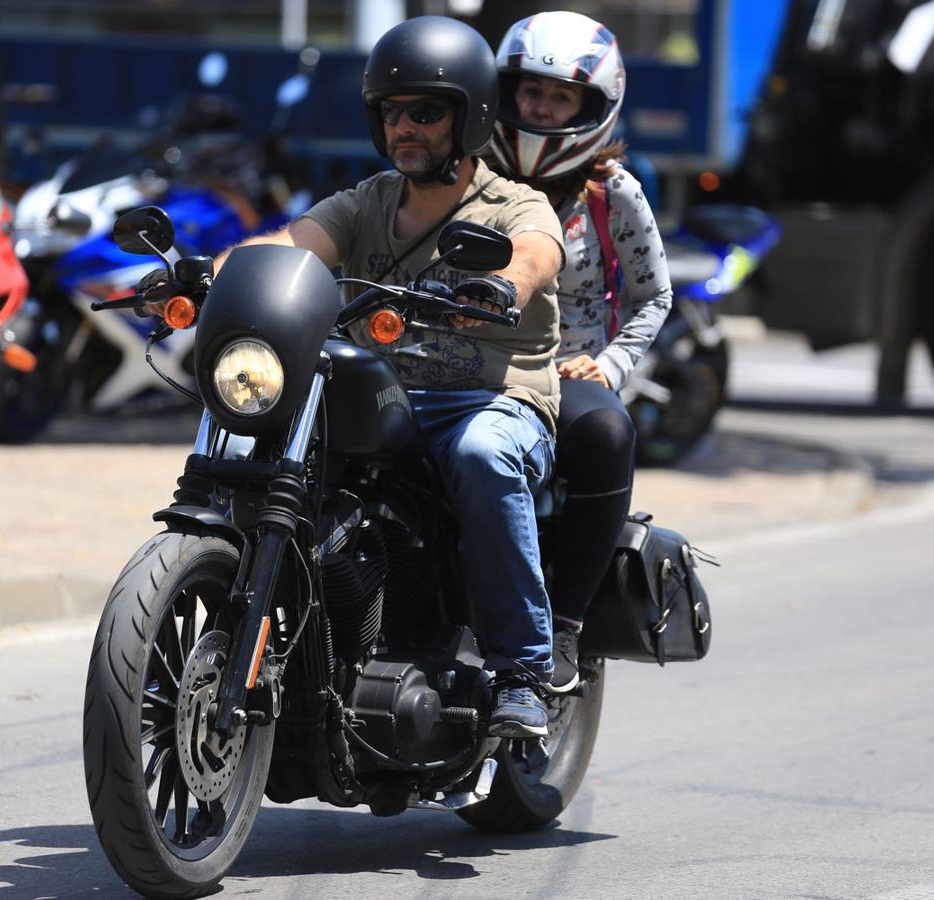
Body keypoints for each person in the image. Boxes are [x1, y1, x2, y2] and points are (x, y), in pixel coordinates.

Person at [164, 16, 568, 737]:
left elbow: (535, 254)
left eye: (424, 111)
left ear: (469, 117)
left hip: (489, 400)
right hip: (380, 398)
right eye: (390, 111)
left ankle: (523, 672)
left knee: (484, 458)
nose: (404, 126)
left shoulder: (513, 204)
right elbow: (288, 245)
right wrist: (204, 278)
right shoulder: (366, 204)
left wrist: (503, 283)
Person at [490, 11, 673, 692]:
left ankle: (563, 626)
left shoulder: (612, 191)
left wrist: (611, 364)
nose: (540, 108)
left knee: (603, 430)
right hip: (465, 362)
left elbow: (656, 296)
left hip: (566, 373)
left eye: (559, 97)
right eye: (530, 92)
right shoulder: (468, 172)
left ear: (591, 107)